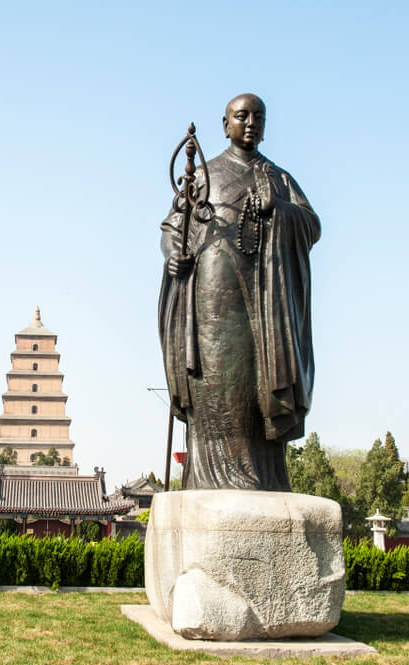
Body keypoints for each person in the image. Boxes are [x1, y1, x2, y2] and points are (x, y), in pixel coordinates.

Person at [159, 93, 320, 491]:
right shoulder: (204, 177)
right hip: (212, 293)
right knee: (215, 379)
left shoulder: (278, 179)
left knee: (256, 379)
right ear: (225, 123)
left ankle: (262, 477)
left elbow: (312, 226)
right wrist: (173, 256)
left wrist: (279, 209)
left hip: (265, 299)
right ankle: (209, 476)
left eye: (258, 117)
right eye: (241, 116)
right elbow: (172, 228)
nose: (250, 123)